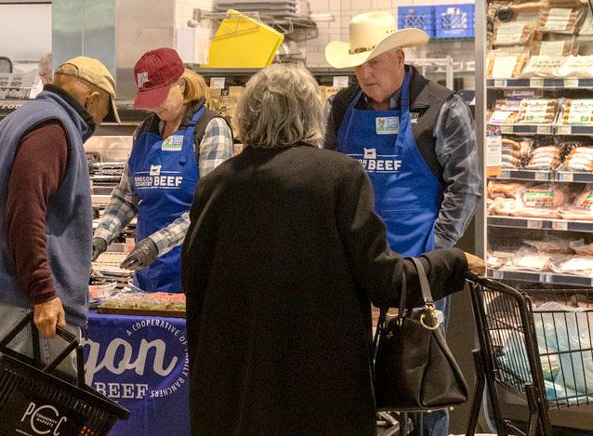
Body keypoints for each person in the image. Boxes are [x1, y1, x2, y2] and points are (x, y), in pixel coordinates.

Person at [181, 63, 485, 436]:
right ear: (310, 114)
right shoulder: (338, 176)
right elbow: (383, 280)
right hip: (316, 389)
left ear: (246, 115)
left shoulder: (215, 185)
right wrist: (451, 262)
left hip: (233, 389)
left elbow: (193, 281)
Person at [324, 11, 482, 435]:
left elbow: (465, 187)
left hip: (417, 269)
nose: (364, 73)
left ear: (399, 56)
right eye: (358, 64)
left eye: (374, 62)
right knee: (352, 373)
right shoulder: (340, 108)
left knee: (422, 381)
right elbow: (328, 181)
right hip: (353, 267)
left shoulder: (442, 107)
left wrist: (436, 252)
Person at [0, 56, 119, 377]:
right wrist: (44, 292)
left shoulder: (26, 117)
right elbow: (26, 213)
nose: (99, 121)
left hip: (10, 297)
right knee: (31, 416)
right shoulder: (53, 129)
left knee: (5, 412)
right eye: (104, 111)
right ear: (92, 99)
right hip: (20, 303)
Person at [92, 47, 233, 292]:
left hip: (192, 273)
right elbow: (127, 197)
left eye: (160, 96)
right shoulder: (145, 131)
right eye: (149, 99)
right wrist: (102, 236)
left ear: (182, 85)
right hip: (147, 272)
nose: (155, 106)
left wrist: (156, 244)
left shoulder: (211, 129)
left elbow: (209, 209)